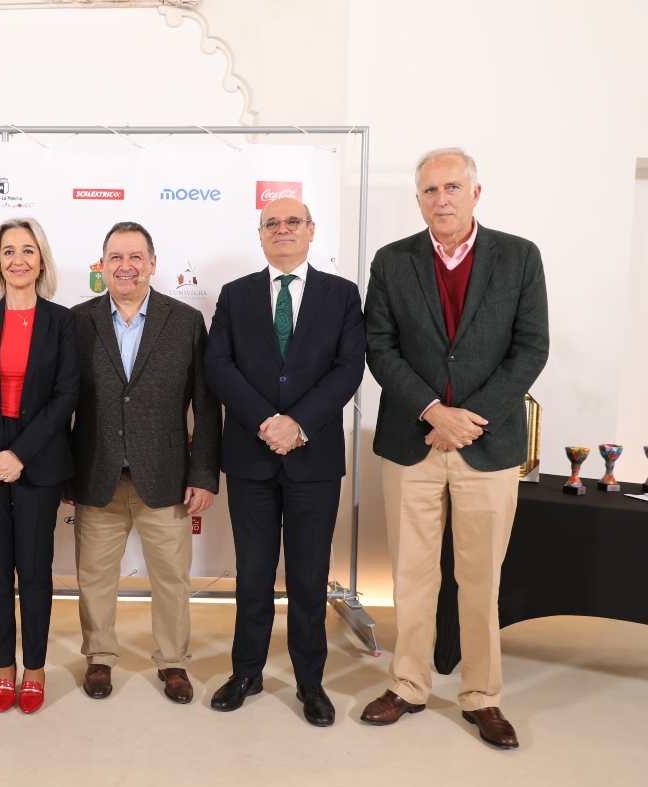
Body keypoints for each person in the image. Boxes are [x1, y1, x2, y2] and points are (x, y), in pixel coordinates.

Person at [362, 147, 549, 748]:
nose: (440, 200)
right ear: (417, 199)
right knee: (411, 576)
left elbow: (531, 348)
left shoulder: (520, 257)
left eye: (450, 188)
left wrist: (469, 418)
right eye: (428, 191)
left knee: (480, 577)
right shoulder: (393, 262)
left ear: (475, 192)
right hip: (411, 440)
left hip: (487, 445)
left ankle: (481, 696)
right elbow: (380, 346)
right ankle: (409, 685)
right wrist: (432, 411)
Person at [205, 199, 365, 726]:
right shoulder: (235, 295)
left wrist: (297, 423)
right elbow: (219, 365)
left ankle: (309, 681)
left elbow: (348, 369)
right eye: (271, 223)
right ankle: (246, 672)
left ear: (311, 231)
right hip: (251, 458)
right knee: (251, 574)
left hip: (313, 458)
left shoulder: (342, 295)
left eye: (292, 221)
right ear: (260, 234)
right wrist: (264, 422)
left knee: (308, 576)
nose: (282, 230)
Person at [70, 221, 220, 704]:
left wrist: (203, 473)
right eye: (115, 257)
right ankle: (99, 657)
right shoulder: (77, 322)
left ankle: (173, 661)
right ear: (102, 266)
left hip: (167, 477)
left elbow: (206, 404)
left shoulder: (185, 322)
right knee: (95, 577)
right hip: (97, 473)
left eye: (136, 257)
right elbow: (59, 403)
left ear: (153, 264)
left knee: (172, 579)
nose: (126, 266)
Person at [0, 218, 79, 714]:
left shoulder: (61, 321)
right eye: (8, 251)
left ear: (41, 260)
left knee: (36, 570)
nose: (18, 260)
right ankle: (4, 668)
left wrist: (20, 454)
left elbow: (67, 393)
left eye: (28, 250)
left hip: (38, 461)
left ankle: (36, 668)